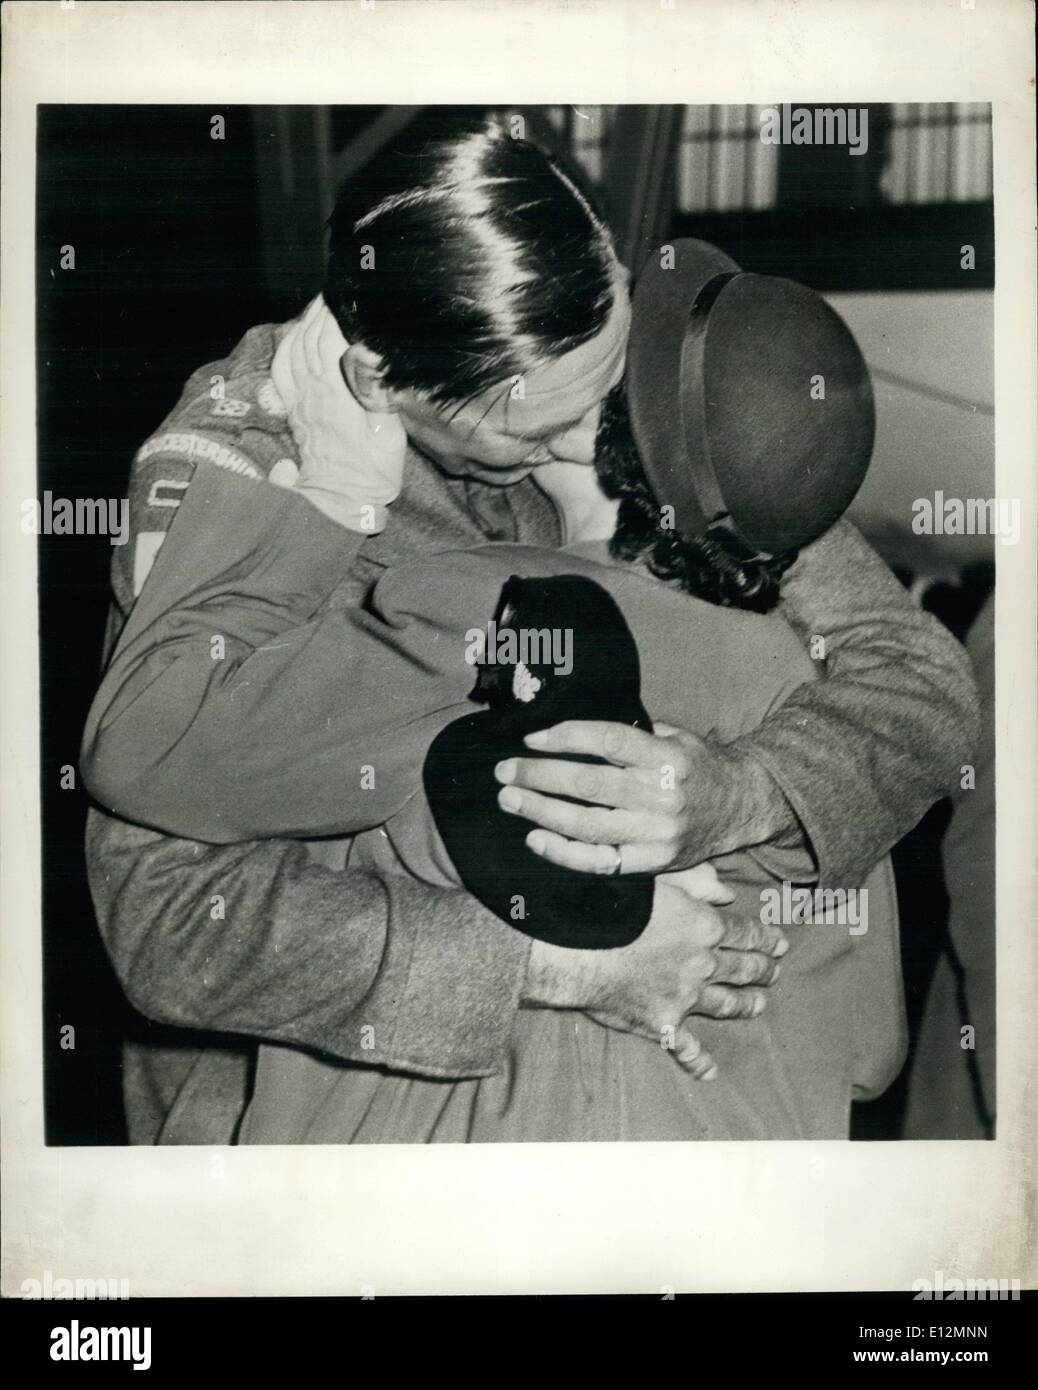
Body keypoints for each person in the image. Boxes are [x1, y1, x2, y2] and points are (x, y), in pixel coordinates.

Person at [80, 118, 978, 1143]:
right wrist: (555, 965)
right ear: (381, 385)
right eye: (538, 430)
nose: (600, 444)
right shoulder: (237, 471)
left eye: (608, 393)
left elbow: (918, 681)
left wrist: (741, 795)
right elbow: (168, 925)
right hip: (321, 1138)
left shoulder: (583, 344)